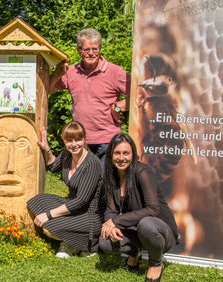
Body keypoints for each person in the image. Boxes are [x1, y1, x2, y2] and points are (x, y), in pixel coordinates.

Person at [99, 133, 178, 282]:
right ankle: (134, 253)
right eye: (117, 153)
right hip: (136, 230)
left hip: (159, 231)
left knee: (146, 224)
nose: (121, 158)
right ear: (110, 154)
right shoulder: (110, 175)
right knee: (105, 240)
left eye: (126, 153)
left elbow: (153, 209)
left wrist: (117, 221)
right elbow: (111, 209)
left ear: (133, 154)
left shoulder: (143, 172)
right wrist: (111, 225)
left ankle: (155, 263)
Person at [49, 28, 131, 163]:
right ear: (79, 50)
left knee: (105, 182)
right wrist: (57, 73)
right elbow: (47, 90)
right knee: (82, 183)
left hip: (107, 141)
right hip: (80, 141)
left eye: (95, 49)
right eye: (86, 50)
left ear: (100, 49)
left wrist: (117, 107)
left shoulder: (115, 72)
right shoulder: (72, 72)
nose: (91, 53)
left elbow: (139, 95)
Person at [27, 121, 104, 258]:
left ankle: (82, 243)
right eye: (69, 140)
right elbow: (53, 166)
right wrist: (46, 149)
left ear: (84, 139)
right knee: (37, 200)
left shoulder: (92, 163)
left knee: (48, 227)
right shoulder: (66, 155)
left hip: (89, 214)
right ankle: (71, 237)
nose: (74, 144)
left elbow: (81, 201)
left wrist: (49, 214)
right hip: (72, 205)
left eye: (78, 139)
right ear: (64, 141)